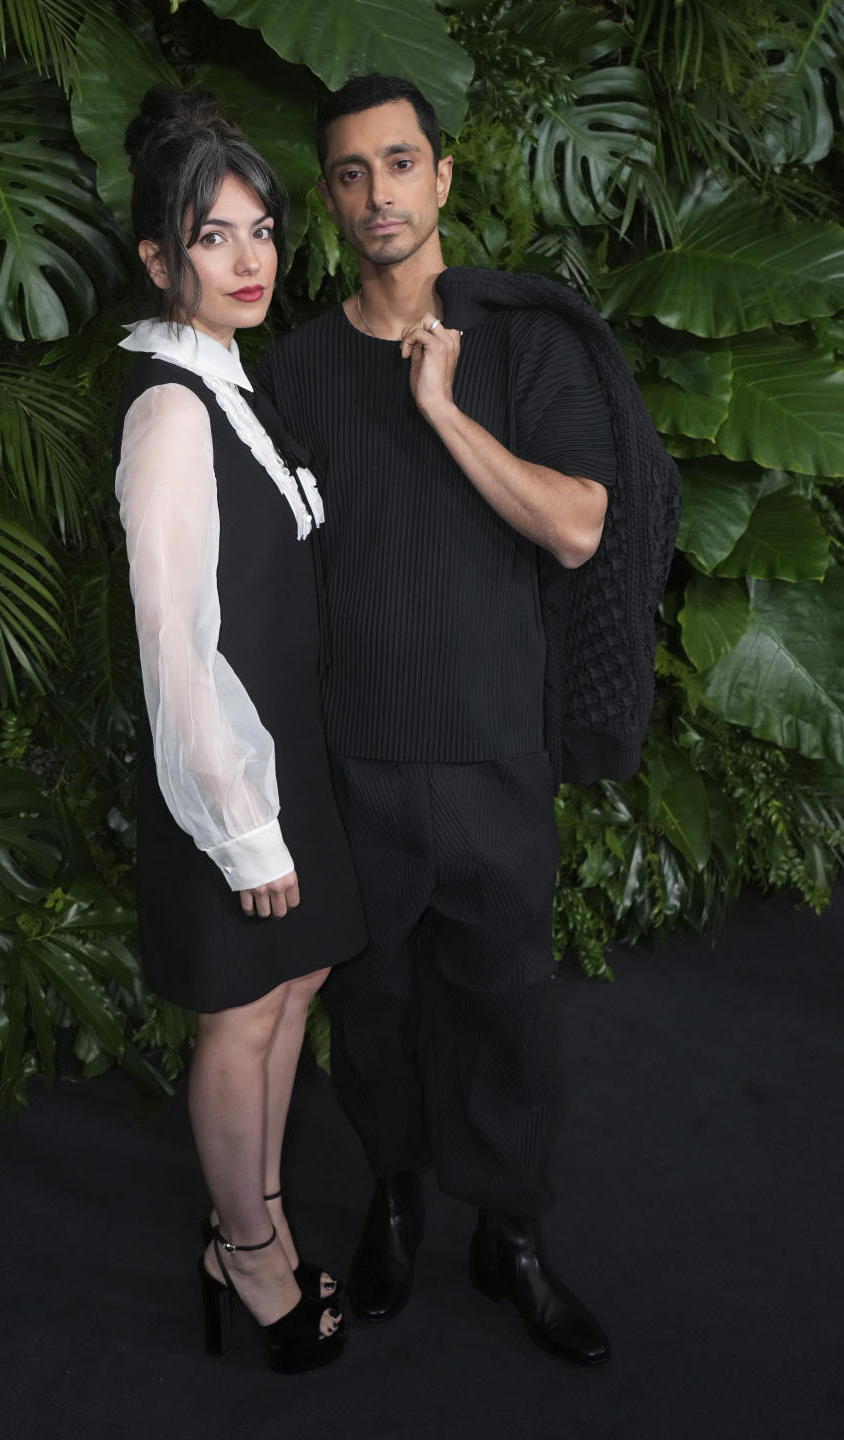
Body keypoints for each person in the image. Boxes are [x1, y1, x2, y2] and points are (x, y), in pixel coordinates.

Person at [257, 73, 680, 1365]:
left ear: (442, 177)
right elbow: (274, 575)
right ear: (331, 200)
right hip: (355, 760)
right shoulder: (298, 373)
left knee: (506, 1007)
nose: (377, 192)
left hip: (498, 748)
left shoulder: (518, 341)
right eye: (350, 172)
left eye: (400, 163)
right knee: (375, 1010)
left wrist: (441, 407)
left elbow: (577, 523)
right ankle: (394, 1199)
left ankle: (514, 1233)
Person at [113, 88, 367, 1374]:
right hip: (228, 777)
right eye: (215, 237)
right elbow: (178, 653)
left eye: (261, 229)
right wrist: (243, 825)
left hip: (289, 759)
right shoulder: (169, 410)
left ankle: (249, 1214)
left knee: (296, 988)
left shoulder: (235, 383)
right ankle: (251, 1253)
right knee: (243, 1017)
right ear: (161, 258)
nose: (251, 257)